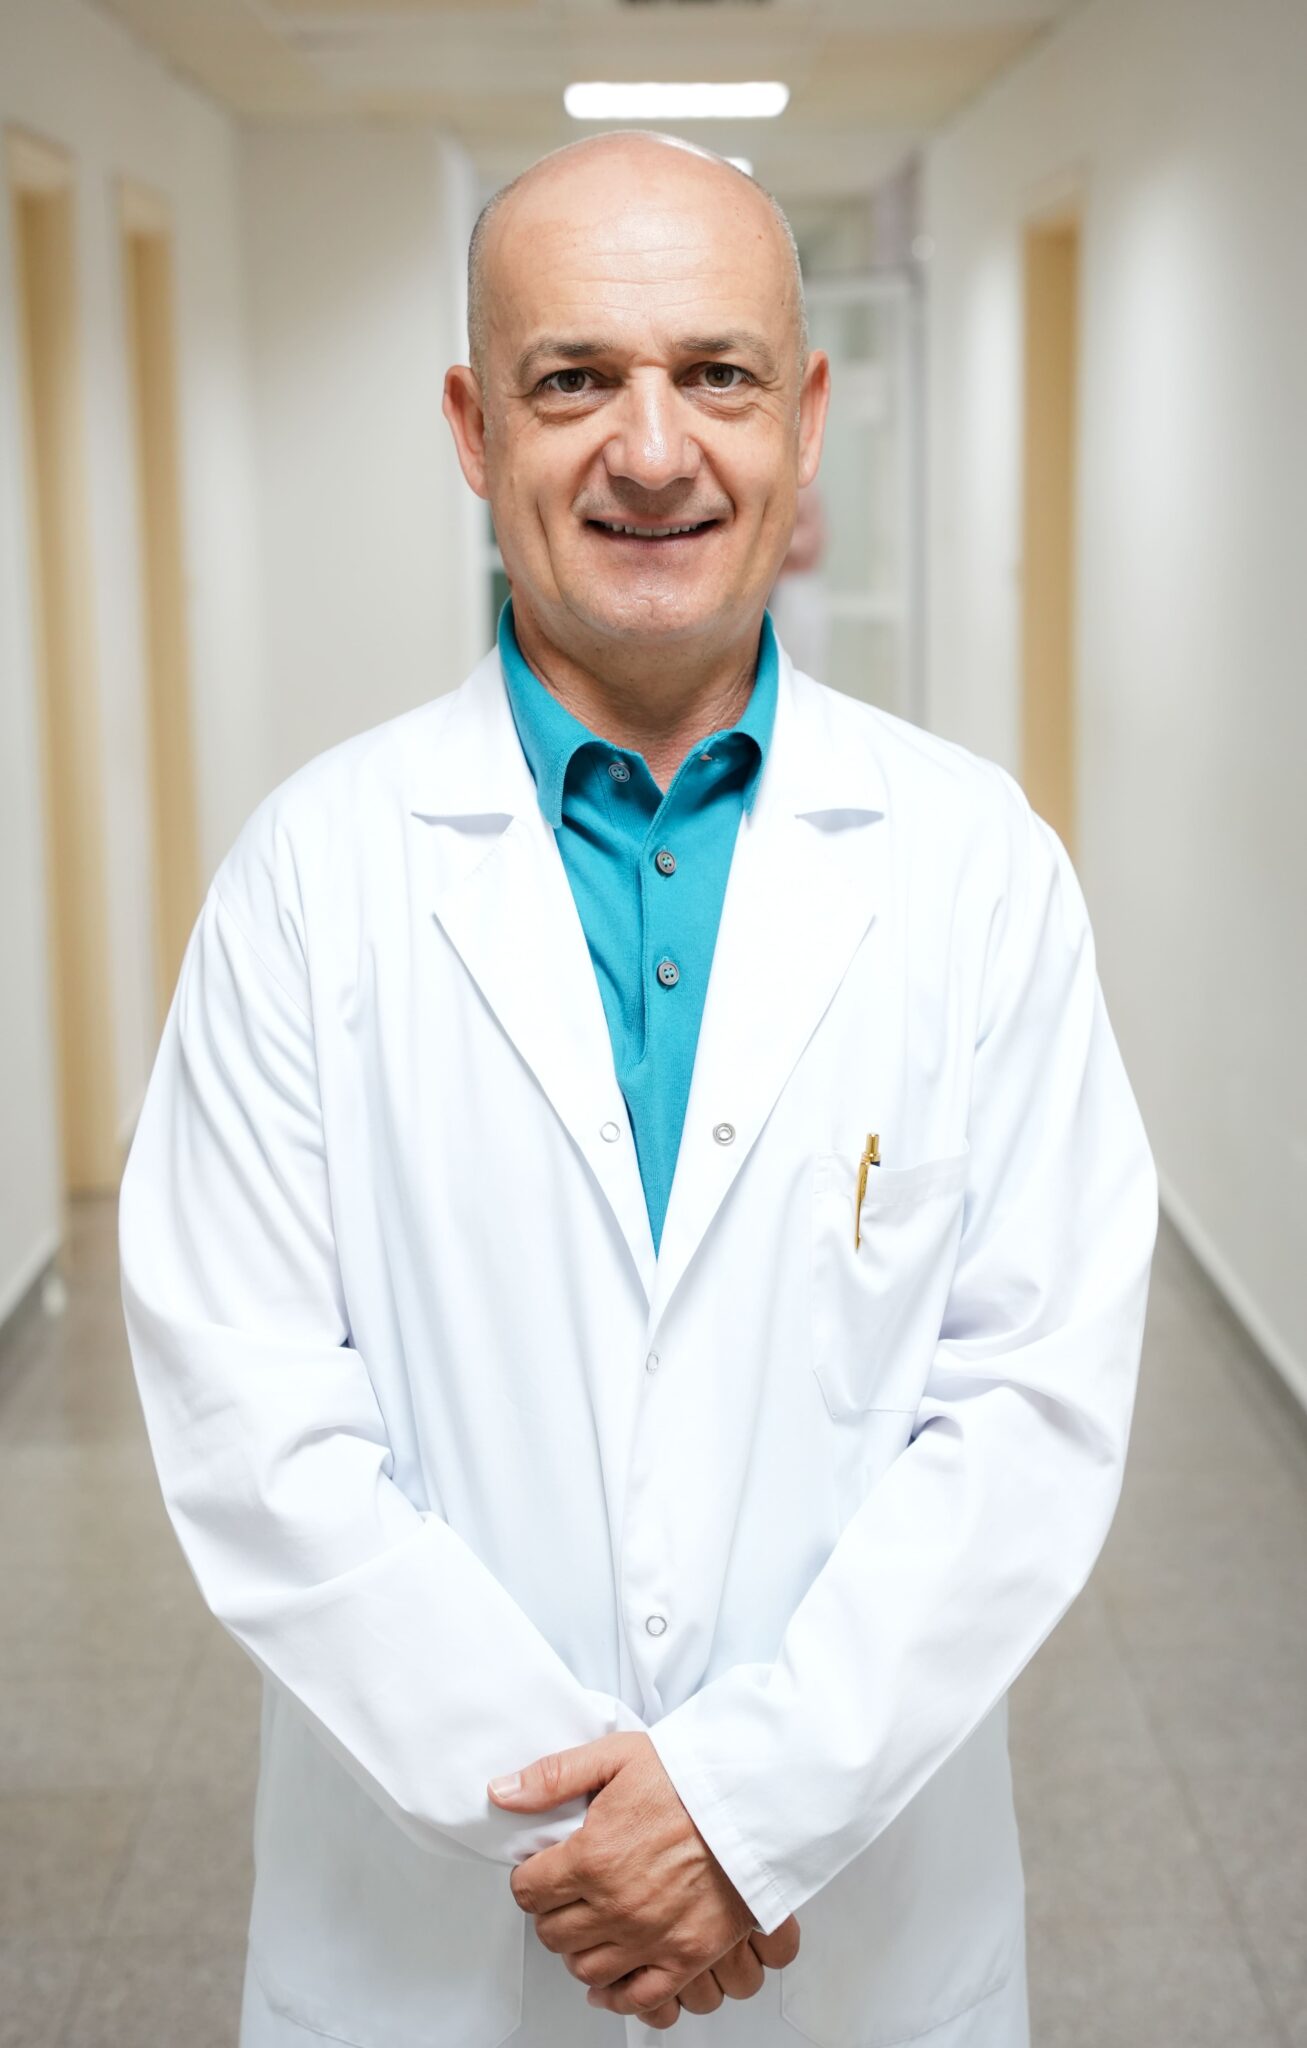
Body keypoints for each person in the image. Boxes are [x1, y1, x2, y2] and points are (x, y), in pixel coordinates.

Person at [118, 132, 1158, 2048]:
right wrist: (608, 1839)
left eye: (718, 374)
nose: (655, 449)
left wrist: (750, 1812)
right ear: (472, 426)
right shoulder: (310, 877)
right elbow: (251, 1419)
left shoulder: (976, 869)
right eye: (575, 378)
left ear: (806, 416)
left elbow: (1030, 1402)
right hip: (430, 1942)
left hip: (858, 1940)